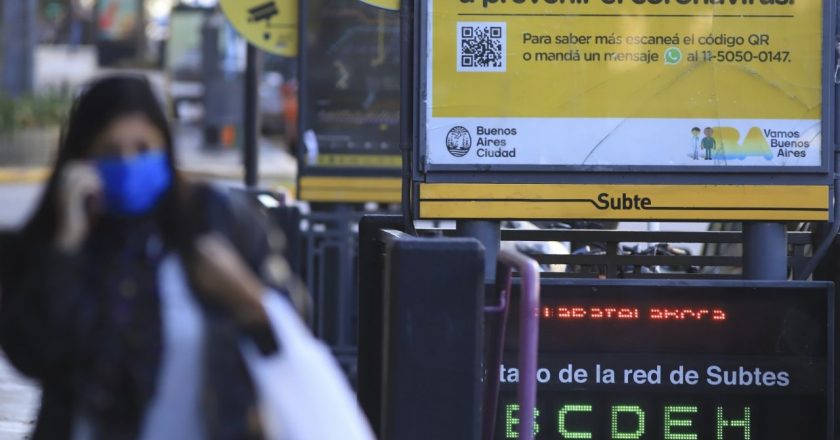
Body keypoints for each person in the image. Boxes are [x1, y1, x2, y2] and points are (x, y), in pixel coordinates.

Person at [0, 75, 310, 440]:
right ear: (83, 158)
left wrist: (248, 297)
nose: (128, 163)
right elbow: (31, 355)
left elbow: (292, 326)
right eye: (110, 151)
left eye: (143, 148)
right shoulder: (60, 239)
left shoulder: (215, 221)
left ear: (165, 148)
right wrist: (66, 245)